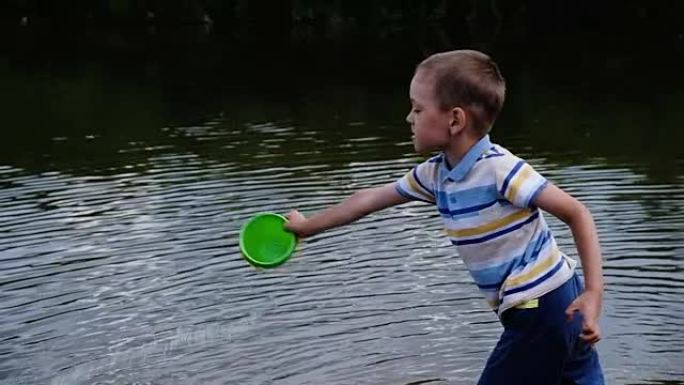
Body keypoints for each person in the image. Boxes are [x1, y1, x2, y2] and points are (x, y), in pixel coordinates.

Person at [285, 49, 605, 385]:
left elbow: (576, 212)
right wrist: (307, 227)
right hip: (552, 304)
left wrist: (594, 292)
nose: (409, 117)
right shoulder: (435, 175)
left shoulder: (500, 169)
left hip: (543, 306)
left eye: (418, 108)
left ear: (455, 120)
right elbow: (367, 200)